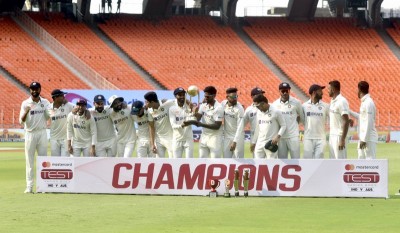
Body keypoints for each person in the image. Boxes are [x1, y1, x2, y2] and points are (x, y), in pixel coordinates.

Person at [19, 81, 50, 193]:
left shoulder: (45, 102)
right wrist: (26, 111)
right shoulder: (25, 103)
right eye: (32, 89)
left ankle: (43, 186)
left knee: (43, 161)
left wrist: (48, 111)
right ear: (30, 90)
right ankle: (29, 186)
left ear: (40, 90)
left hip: (42, 133)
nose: (34, 91)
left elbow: (48, 117)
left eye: (36, 89)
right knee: (30, 162)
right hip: (30, 133)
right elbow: (21, 121)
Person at [185, 86, 224, 158]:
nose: (205, 98)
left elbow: (217, 126)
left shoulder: (219, 108)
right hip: (204, 136)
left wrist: (201, 124)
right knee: (202, 160)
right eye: (205, 96)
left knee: (215, 161)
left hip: (215, 137)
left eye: (208, 96)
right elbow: (197, 119)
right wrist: (194, 111)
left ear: (214, 96)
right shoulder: (203, 106)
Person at [272, 82, 303, 159]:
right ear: (279, 91)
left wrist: (296, 124)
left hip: (293, 137)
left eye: (287, 91)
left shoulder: (296, 102)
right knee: (282, 161)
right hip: (281, 138)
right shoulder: (274, 104)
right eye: (283, 91)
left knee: (296, 160)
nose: (285, 93)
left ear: (289, 90)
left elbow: (302, 117)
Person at [251, 95, 286, 159]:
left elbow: (283, 126)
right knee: (258, 165)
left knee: (271, 165)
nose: (257, 108)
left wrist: (277, 137)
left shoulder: (276, 111)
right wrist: (254, 142)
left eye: (258, 106)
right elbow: (258, 128)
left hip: (270, 143)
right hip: (259, 143)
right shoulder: (259, 112)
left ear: (263, 104)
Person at [351, 81, 378, 159]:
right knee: (361, 162)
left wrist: (364, 139)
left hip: (368, 139)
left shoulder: (368, 103)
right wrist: (349, 111)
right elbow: (362, 118)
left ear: (359, 90)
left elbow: (369, 122)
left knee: (369, 162)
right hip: (363, 138)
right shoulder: (365, 102)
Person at [235, 87, 265, 157]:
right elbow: (242, 124)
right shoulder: (249, 110)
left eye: (262, 94)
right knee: (256, 159)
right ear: (252, 96)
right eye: (259, 95)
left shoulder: (268, 106)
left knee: (270, 160)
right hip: (254, 137)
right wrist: (235, 139)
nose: (261, 96)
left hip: (267, 136)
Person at [302, 84, 330, 159]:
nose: (322, 93)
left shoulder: (326, 106)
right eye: (320, 91)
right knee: (307, 161)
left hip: (321, 138)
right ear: (314, 92)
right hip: (308, 138)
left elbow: (333, 117)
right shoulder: (304, 106)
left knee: (319, 160)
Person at [145, 91, 175, 158]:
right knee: (159, 163)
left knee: (173, 161)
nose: (145, 104)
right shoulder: (149, 111)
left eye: (146, 102)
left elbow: (180, 100)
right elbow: (151, 127)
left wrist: (190, 104)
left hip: (171, 138)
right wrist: (152, 144)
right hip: (159, 140)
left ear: (152, 102)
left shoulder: (168, 103)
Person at [168, 88, 194, 158]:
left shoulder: (189, 106)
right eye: (179, 95)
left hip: (188, 139)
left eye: (183, 95)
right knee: (176, 163)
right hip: (177, 139)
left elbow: (194, 119)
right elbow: (173, 125)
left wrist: (193, 110)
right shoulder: (172, 108)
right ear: (175, 96)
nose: (182, 96)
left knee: (189, 162)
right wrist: (182, 125)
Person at [328, 80, 350, 159]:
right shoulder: (332, 101)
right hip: (332, 135)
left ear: (333, 90)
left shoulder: (342, 101)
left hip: (339, 136)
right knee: (333, 162)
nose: (328, 91)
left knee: (340, 162)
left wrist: (342, 139)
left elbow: (346, 120)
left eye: (329, 89)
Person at [48, 89, 74, 157]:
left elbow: (79, 108)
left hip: (66, 138)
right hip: (54, 138)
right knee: (55, 160)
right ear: (56, 98)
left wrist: (86, 112)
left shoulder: (68, 105)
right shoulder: (48, 108)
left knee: (65, 161)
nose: (64, 97)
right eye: (62, 96)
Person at [221, 87, 245, 158]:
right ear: (227, 97)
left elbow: (240, 127)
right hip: (227, 137)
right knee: (226, 159)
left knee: (239, 160)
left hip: (238, 138)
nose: (235, 98)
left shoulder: (239, 108)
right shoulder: (223, 104)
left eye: (236, 96)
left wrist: (235, 141)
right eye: (233, 97)